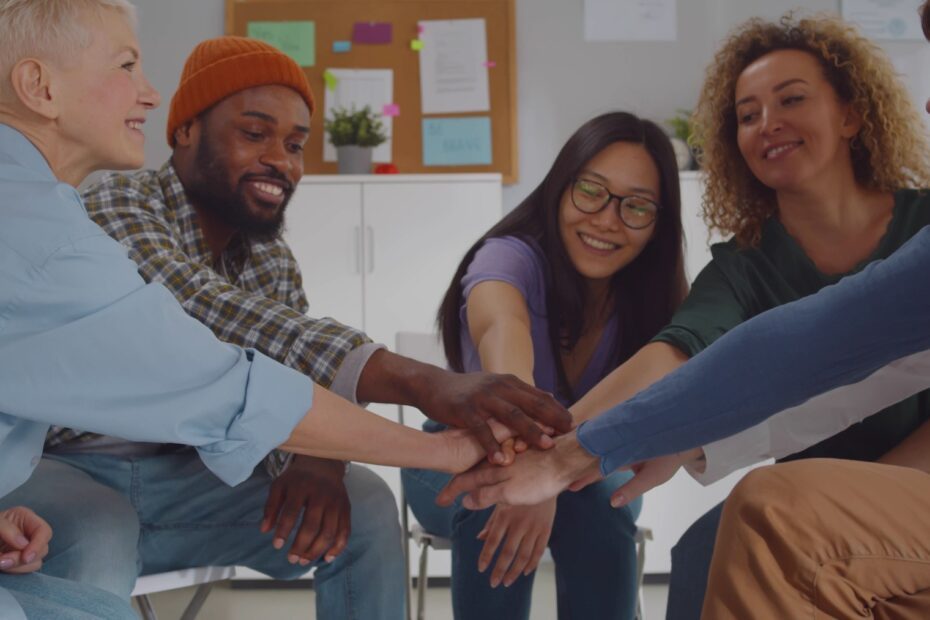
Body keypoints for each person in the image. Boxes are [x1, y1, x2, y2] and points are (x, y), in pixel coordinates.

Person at [0, 2, 548, 617]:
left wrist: (319, 457)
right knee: (98, 529)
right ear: (185, 132)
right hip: (69, 469)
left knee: (364, 504)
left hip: (184, 481)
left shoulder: (270, 259)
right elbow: (200, 325)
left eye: (295, 144)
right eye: (255, 134)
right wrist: (423, 389)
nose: (280, 161)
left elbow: (281, 380)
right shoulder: (110, 207)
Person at [440, 12, 930, 619]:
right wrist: (572, 450)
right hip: (814, 491)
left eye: (792, 99)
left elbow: (822, 346)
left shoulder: (920, 232)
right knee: (702, 544)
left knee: (761, 512)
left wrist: (573, 454)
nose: (768, 124)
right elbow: (690, 356)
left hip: (880, 489)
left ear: (853, 114)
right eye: (747, 115)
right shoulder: (743, 267)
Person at [404, 112, 686, 620]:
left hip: (589, 476)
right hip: (459, 455)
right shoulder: (509, 259)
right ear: (561, 187)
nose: (606, 219)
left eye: (637, 207)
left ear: (658, 224)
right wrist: (530, 465)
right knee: (491, 491)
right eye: (591, 191)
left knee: (593, 498)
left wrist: (552, 474)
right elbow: (502, 329)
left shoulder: (653, 300)